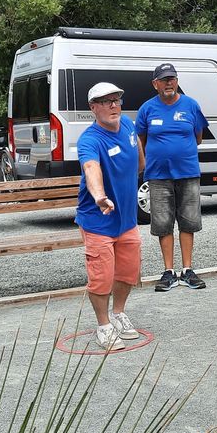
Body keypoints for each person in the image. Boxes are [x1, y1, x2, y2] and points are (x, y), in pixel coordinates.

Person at [76, 82, 145, 351]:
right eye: (105, 102)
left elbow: (138, 155)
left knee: (128, 272)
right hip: (97, 221)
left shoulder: (127, 125)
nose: (113, 105)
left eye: (116, 99)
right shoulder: (90, 139)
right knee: (102, 276)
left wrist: (141, 164)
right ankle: (103, 326)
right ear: (93, 108)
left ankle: (118, 314)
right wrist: (99, 195)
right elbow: (91, 167)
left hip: (127, 221)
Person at [135, 63, 210, 292]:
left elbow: (198, 137)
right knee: (163, 223)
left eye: (172, 79)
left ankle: (187, 270)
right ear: (155, 84)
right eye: (164, 79)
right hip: (158, 175)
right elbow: (141, 140)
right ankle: (168, 272)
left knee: (188, 221)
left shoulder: (191, 105)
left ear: (177, 81)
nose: (169, 83)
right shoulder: (147, 109)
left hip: (187, 173)